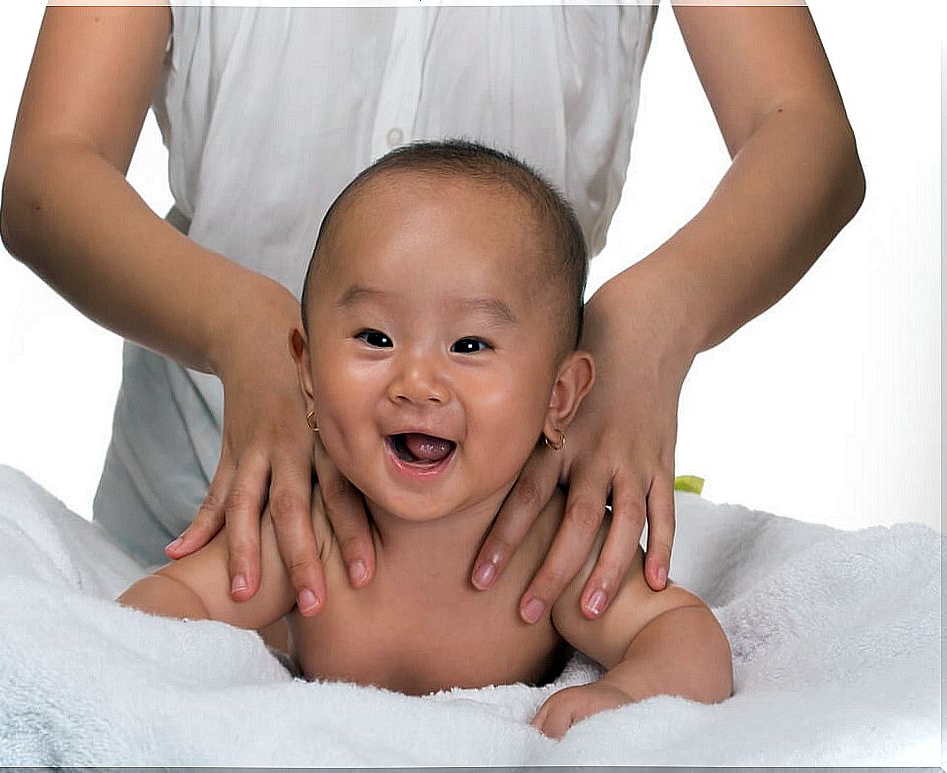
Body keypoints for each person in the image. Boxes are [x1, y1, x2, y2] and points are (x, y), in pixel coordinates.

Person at [0, 6, 864, 625]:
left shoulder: (546, 587)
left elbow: (804, 130)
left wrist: (652, 320)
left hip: (505, 514)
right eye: (376, 339)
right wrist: (241, 326)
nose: (413, 377)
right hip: (204, 494)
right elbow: (51, 168)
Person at [117, 139, 734, 739]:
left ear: (559, 396)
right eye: (375, 339)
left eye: (469, 345)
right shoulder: (305, 533)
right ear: (305, 371)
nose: (418, 383)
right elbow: (164, 604)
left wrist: (623, 695)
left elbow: (684, 634)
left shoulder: (552, 545)